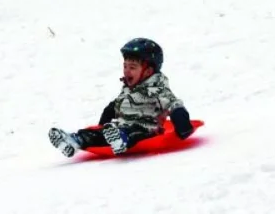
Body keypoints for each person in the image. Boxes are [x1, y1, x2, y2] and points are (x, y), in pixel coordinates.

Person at [48, 38, 195, 157]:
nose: (126, 71)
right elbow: (118, 103)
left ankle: (122, 139)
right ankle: (75, 141)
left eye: (132, 67)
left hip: (147, 129)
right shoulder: (129, 87)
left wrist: (181, 120)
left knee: (134, 132)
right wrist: (108, 114)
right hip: (119, 126)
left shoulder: (158, 90)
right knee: (98, 134)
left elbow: (173, 103)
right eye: (125, 66)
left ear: (148, 71)